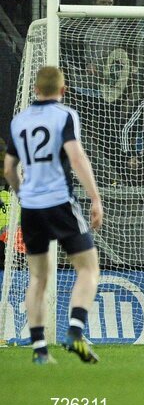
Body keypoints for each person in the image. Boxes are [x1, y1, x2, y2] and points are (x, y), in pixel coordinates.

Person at [4, 67, 103, 364]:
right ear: (64, 90)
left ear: (35, 90)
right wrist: (95, 198)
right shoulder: (65, 115)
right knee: (88, 268)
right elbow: (76, 156)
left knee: (38, 277)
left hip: (31, 207)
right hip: (60, 202)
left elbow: (9, 168)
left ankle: (39, 350)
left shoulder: (19, 121)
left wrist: (22, 192)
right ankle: (75, 331)